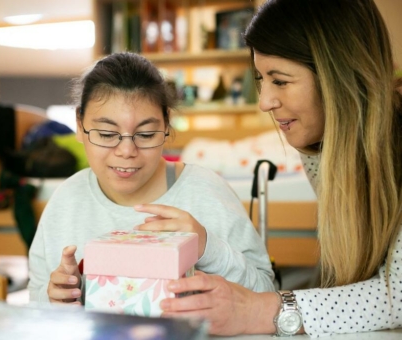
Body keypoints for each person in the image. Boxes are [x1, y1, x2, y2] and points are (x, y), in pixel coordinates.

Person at [154, 0, 402, 337]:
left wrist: (258, 310)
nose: (264, 102)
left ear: (340, 74)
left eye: (281, 81)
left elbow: (396, 296)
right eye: (260, 79)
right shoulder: (324, 145)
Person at [27, 52, 275, 304]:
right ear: (79, 125)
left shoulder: (205, 192)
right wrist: (57, 299)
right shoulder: (65, 201)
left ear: (167, 125)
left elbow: (268, 295)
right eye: (106, 134)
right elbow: (36, 300)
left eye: (145, 135)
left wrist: (206, 246)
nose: (126, 152)